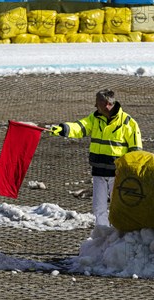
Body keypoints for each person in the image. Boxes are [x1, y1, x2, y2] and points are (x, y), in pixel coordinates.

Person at [50, 89, 142, 226]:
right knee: (99, 208)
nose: (94, 105)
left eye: (97, 102)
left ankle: (119, 235)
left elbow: (136, 152)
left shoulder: (128, 123)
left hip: (117, 174)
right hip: (98, 172)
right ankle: (102, 235)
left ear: (107, 104)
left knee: (119, 208)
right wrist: (64, 129)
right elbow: (80, 127)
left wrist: (131, 174)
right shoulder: (95, 118)